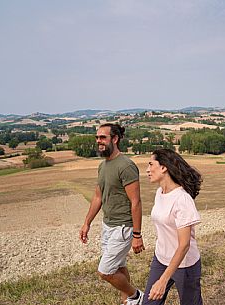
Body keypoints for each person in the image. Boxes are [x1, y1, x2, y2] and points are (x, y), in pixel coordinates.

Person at [79, 123, 145, 305]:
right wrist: (87, 223)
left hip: (123, 227)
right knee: (119, 265)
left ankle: (137, 296)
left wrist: (137, 235)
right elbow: (98, 196)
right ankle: (128, 300)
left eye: (103, 137)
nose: (98, 141)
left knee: (105, 271)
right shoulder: (103, 166)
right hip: (108, 225)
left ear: (115, 139)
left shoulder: (126, 166)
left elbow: (136, 202)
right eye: (97, 137)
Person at [143, 148, 203, 305]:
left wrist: (163, 280)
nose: (147, 170)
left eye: (151, 164)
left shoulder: (182, 200)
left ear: (163, 167)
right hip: (161, 259)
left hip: (184, 264)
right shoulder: (159, 193)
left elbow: (184, 245)